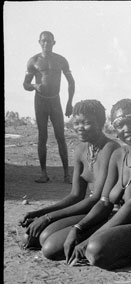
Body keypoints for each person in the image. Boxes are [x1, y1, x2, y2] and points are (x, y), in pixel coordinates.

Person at [62, 98, 131, 270]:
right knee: (53, 246)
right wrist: (78, 227)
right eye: (120, 125)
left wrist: (89, 239)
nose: (126, 129)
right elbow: (105, 202)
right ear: (115, 129)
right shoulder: (119, 155)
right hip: (120, 220)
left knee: (94, 249)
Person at [19, 100, 120, 255]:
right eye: (77, 122)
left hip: (107, 212)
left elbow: (97, 199)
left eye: (86, 123)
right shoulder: (81, 150)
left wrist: (47, 218)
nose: (80, 127)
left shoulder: (110, 148)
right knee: (30, 238)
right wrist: (39, 213)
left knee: (49, 246)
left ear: (101, 123)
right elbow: (75, 195)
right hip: (89, 209)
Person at [23, 31, 75, 183]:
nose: (46, 43)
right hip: (40, 101)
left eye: (49, 41)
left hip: (55, 101)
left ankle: (66, 174)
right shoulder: (33, 61)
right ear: (39, 42)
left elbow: (71, 82)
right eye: (43, 41)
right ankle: (43, 174)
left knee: (60, 136)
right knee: (42, 136)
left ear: (54, 42)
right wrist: (33, 85)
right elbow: (25, 84)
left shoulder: (61, 60)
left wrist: (69, 103)